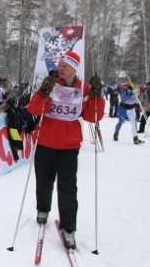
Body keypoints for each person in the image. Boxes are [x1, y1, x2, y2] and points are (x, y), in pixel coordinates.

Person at [26, 51, 105, 250]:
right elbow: (34, 110)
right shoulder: (51, 85)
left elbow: (92, 117)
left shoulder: (84, 89)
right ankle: (43, 209)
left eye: (65, 65)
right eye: (60, 65)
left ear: (74, 69)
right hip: (45, 141)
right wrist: (42, 93)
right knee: (44, 180)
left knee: (68, 188)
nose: (60, 68)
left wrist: (97, 96)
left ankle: (69, 228)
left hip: (69, 146)